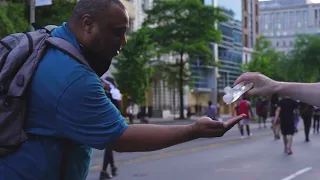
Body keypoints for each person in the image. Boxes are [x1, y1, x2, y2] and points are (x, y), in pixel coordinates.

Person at [0, 0, 246, 179]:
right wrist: (195, 130)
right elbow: (121, 138)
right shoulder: (73, 78)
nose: (124, 41)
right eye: (118, 32)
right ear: (88, 24)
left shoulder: (50, 40)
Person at [100, 77, 121, 179]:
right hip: (107, 122)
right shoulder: (108, 92)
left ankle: (108, 169)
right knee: (109, 146)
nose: (102, 83)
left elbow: (117, 107)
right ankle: (108, 169)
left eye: (104, 82)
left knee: (109, 146)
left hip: (110, 122)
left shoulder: (111, 93)